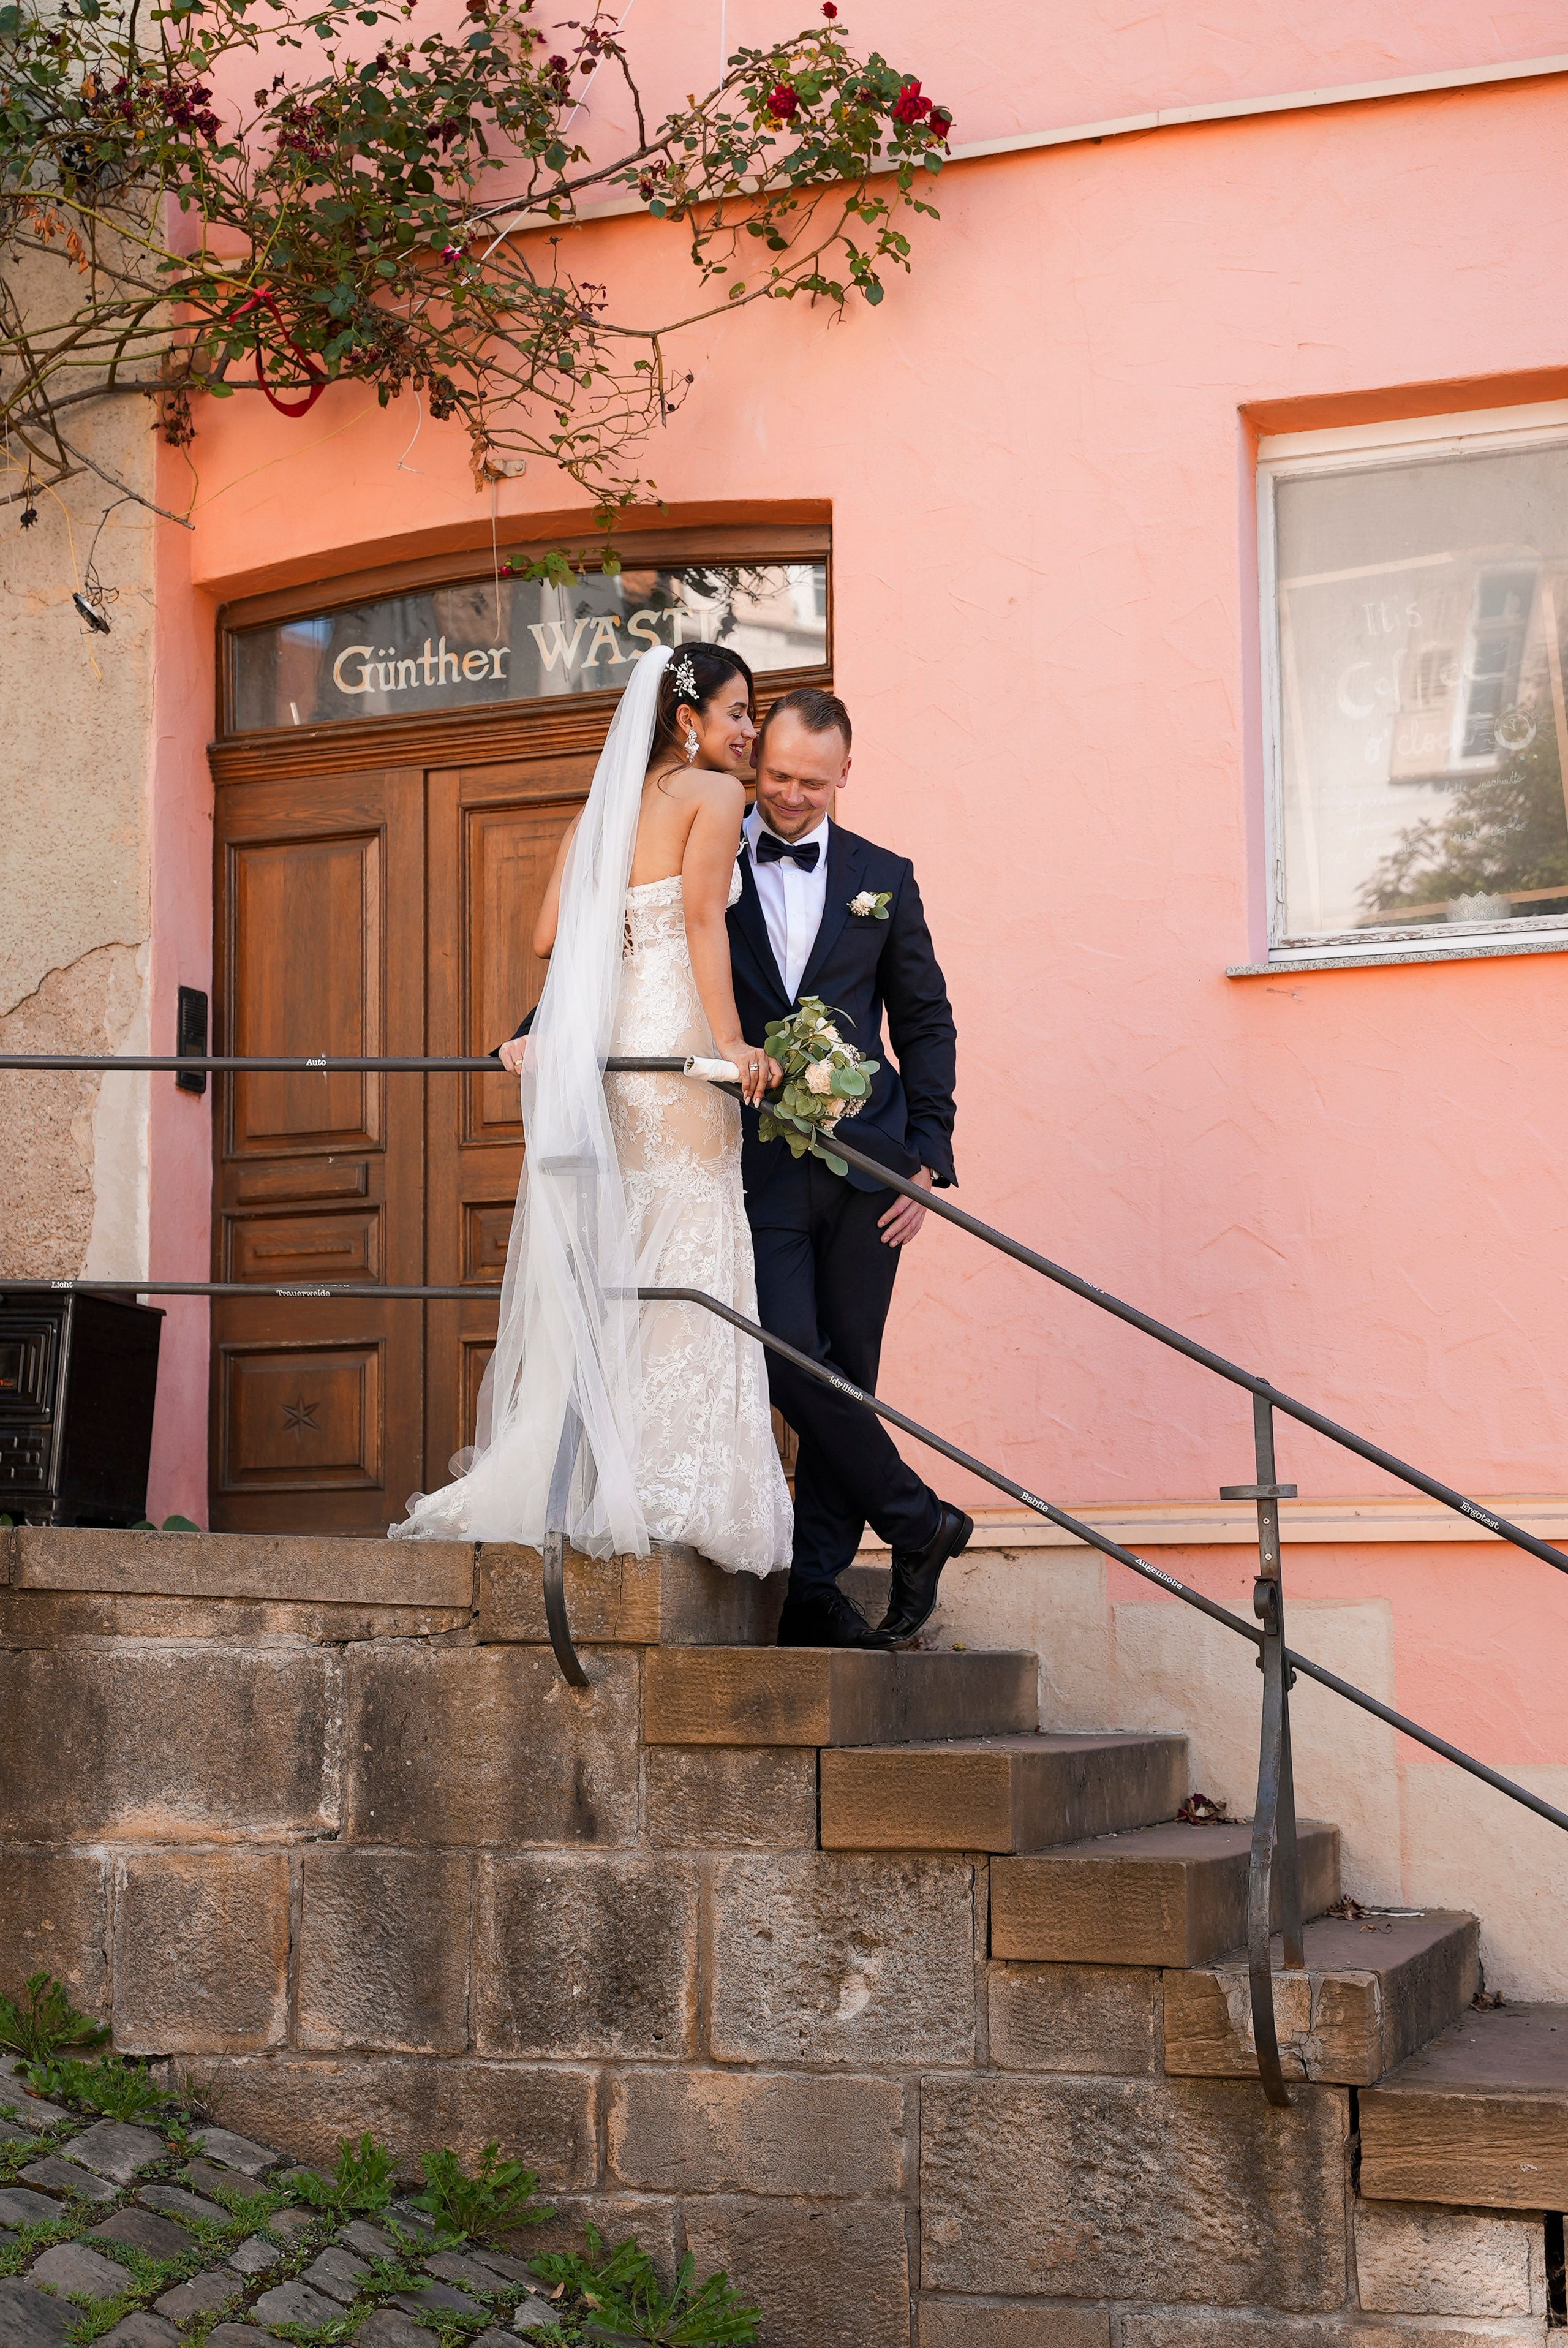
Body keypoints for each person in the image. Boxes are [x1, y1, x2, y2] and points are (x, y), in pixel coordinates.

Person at [389, 641, 791, 1577]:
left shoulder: (605, 808)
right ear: (689, 720)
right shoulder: (713, 797)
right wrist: (729, 1045)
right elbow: (700, 920)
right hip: (676, 1033)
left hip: (613, 1045)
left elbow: (543, 933)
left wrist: (616, 921)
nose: (749, 730)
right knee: (692, 1233)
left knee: (635, 1243)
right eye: (738, 711)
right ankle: (672, 1480)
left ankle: (602, 1470)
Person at [731, 686, 971, 1648]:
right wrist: (536, 1030)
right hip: (757, 1162)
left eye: (812, 784)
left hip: (871, 1167)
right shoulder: (711, 853)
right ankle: (919, 1521)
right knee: (790, 1351)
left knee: (849, 1375)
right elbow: (636, 957)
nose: (791, 797)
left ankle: (818, 1591)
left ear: (845, 775)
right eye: (777, 776)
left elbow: (923, 1019)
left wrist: (928, 1156)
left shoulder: (885, 874)